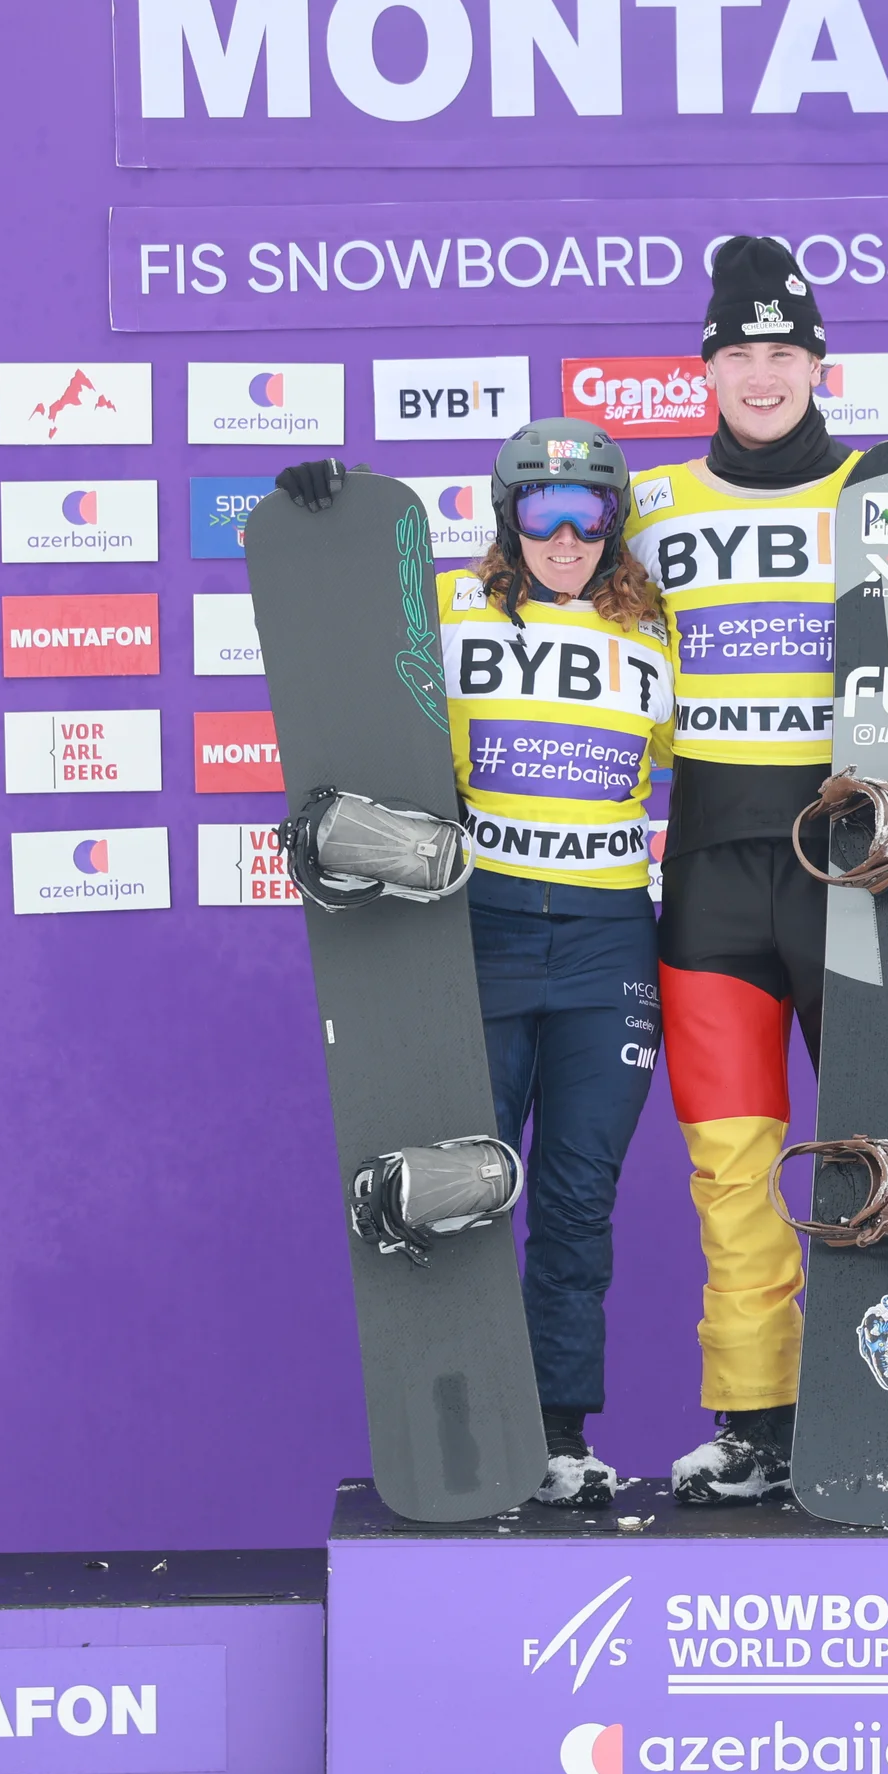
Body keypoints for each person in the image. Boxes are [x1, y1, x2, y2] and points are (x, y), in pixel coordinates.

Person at [627, 236, 888, 1504]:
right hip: (708, 868)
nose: (763, 377)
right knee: (732, 1163)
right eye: (740, 354)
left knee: (885, 1137)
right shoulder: (650, 507)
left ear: (819, 363)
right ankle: (757, 1421)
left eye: (785, 353)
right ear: (706, 366)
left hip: (856, 852)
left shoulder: (885, 496)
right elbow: (553, 613)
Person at [274, 421, 671, 1509]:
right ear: (507, 520)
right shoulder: (449, 612)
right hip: (480, 931)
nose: (563, 538)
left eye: (587, 515)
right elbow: (349, 663)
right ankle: (463, 1427)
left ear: (615, 523)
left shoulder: (657, 636)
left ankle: (554, 1434)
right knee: (463, 1179)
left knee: (579, 1197)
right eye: (540, 515)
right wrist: (327, 517)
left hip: (607, 947)